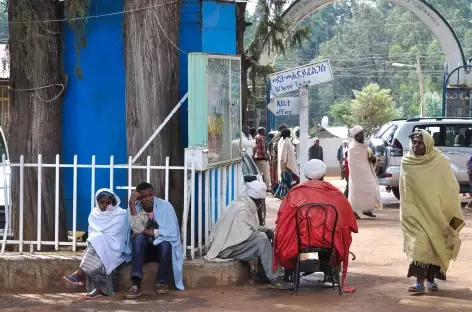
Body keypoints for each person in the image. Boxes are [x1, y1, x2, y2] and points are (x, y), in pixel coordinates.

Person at [274, 160, 358, 292]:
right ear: (324, 174)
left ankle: (289, 275)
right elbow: (351, 223)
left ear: (306, 176)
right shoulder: (336, 194)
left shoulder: (293, 194)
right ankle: (330, 274)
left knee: (285, 234)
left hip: (300, 244)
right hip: (329, 244)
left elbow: (282, 223)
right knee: (341, 235)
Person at [400, 130, 465, 293]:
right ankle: (419, 283)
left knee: (436, 244)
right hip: (415, 214)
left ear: (428, 143)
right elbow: (405, 191)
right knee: (419, 245)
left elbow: (450, 186)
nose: (416, 146)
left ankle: (430, 280)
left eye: (420, 143)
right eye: (414, 142)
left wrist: (445, 207)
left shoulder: (440, 161)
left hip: (438, 213)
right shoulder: (407, 162)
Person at [205, 180, 294, 290]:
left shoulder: (243, 204)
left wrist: (266, 230)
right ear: (259, 199)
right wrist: (263, 233)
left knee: (265, 236)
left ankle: (262, 274)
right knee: (262, 241)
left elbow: (251, 226)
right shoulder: (242, 209)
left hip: (229, 245)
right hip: (226, 250)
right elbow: (247, 235)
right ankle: (275, 279)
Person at [63, 189, 129, 299]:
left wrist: (101, 239)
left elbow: (118, 233)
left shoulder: (120, 214)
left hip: (115, 245)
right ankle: (99, 289)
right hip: (98, 243)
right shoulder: (94, 213)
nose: (105, 205)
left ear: (113, 202)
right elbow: (92, 232)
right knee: (96, 243)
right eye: (102, 202)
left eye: (108, 202)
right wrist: (99, 239)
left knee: (97, 243)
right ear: (97, 202)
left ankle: (79, 274)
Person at [125, 182, 184, 299]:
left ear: (154, 194)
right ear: (139, 198)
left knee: (166, 244)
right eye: (144, 196)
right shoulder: (134, 208)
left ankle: (161, 282)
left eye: (150, 195)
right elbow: (136, 229)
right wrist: (131, 203)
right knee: (138, 239)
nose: (148, 199)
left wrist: (146, 231)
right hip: (143, 253)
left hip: (162, 252)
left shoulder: (166, 207)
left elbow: (171, 233)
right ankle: (136, 283)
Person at [348, 125, 382, 218]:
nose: (363, 136)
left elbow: (370, 156)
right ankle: (354, 211)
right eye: (361, 134)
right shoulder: (352, 148)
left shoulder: (365, 146)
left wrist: (373, 159)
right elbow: (353, 164)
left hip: (367, 172)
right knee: (357, 192)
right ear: (356, 136)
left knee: (371, 189)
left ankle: (367, 210)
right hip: (357, 176)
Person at [275, 128, 299, 199]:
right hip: (287, 164)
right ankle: (286, 195)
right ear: (288, 134)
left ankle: (279, 193)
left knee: (283, 180)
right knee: (288, 181)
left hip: (281, 164)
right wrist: (290, 165)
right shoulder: (287, 142)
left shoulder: (280, 141)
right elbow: (289, 155)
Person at [270, 125, 288, 192]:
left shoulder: (277, 135)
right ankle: (278, 190)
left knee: (276, 174)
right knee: (279, 175)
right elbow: (276, 145)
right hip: (278, 157)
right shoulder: (280, 135)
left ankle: (276, 188)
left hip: (275, 157)